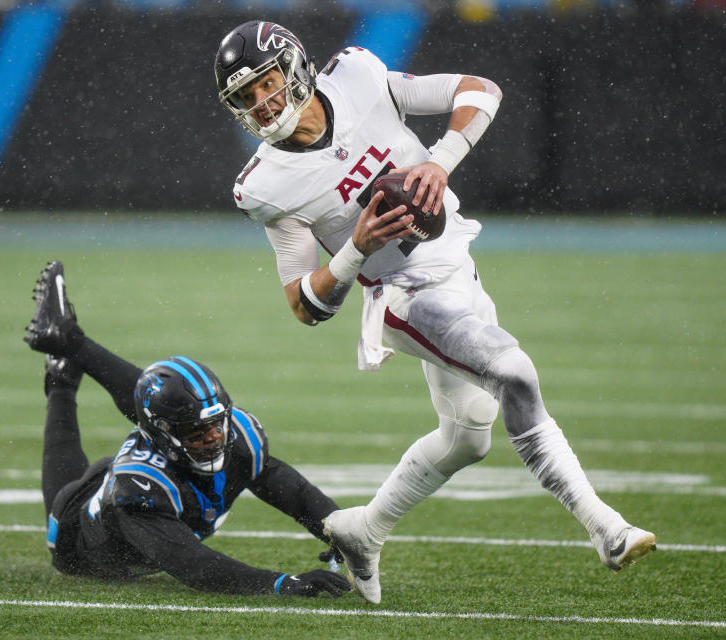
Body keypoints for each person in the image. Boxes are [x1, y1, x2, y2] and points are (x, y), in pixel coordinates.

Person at [214, 21, 656, 603]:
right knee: (514, 371)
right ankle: (606, 528)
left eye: (265, 84)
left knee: (468, 437)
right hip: (402, 297)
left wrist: (441, 160)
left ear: (295, 67)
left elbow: (480, 90)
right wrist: (356, 249)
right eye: (244, 98)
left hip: (457, 266)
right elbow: (305, 304)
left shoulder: (360, 77)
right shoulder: (265, 185)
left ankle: (363, 529)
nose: (261, 105)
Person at [24, 260, 351, 598]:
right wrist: (283, 584)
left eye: (216, 425)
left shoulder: (236, 435)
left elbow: (290, 490)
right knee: (62, 506)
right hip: (78, 537)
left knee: (168, 402)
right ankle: (61, 383)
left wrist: (336, 527)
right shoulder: (139, 491)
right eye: (196, 433)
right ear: (164, 438)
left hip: (149, 464)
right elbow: (196, 567)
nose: (213, 437)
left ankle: (69, 342)